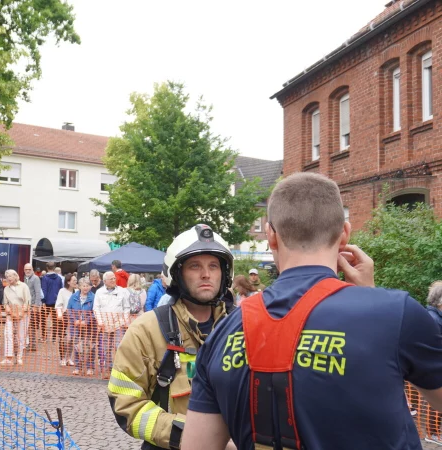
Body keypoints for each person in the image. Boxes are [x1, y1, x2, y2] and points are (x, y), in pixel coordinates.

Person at [181, 172, 442, 450]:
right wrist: (370, 298)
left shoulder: (222, 332)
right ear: (344, 234)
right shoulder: (395, 314)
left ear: (270, 235)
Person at [107, 224, 233, 450]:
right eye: (195, 266)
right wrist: (195, 437)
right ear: (177, 273)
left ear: (224, 273)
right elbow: (127, 405)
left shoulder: (244, 327)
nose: (206, 274)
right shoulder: (146, 330)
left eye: (213, 266)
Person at [93, 271, 131, 379]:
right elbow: (96, 308)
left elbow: (126, 308)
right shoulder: (99, 292)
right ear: (105, 281)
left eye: (114, 278)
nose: (114, 280)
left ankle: (120, 370)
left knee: (119, 347)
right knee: (106, 348)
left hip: (118, 325)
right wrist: (100, 322)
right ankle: (107, 369)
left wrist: (121, 322)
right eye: (111, 279)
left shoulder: (122, 291)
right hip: (104, 325)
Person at [2, 269, 31, 366]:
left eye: (10, 276)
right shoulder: (6, 289)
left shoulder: (23, 286)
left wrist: (22, 313)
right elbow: (5, 303)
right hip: (11, 314)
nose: (8, 278)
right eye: (7, 277)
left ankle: (19, 356)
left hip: (23, 314)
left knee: (21, 336)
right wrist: (9, 312)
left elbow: (27, 301)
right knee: (7, 333)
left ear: (15, 276)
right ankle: (8, 357)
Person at [68, 277, 95, 376]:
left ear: (90, 287)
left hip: (89, 327)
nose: (85, 288)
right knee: (77, 347)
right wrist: (75, 320)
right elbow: (69, 310)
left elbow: (95, 312)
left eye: (87, 285)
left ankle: (90, 367)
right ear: (79, 286)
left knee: (90, 347)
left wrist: (86, 321)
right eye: (83, 286)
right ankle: (77, 367)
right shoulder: (73, 297)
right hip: (76, 326)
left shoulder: (93, 297)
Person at [426, 282, 442, 444]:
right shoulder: (432, 318)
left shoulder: (437, 317)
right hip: (434, 367)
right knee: (433, 400)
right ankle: (432, 433)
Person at [55, 273, 77, 367]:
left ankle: (69, 358)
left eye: (76, 280)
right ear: (68, 282)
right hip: (64, 317)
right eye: (74, 281)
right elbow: (58, 305)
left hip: (74, 318)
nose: (75, 282)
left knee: (72, 338)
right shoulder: (62, 291)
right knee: (63, 339)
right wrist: (60, 316)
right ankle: (62, 358)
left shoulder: (77, 291)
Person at [40, 262, 64, 341]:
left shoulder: (45, 278)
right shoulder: (59, 278)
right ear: (54, 268)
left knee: (43, 319)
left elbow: (44, 290)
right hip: (56, 301)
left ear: (47, 268)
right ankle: (54, 337)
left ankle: (44, 336)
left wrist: (43, 301)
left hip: (47, 301)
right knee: (55, 320)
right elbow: (61, 290)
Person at [24, 263, 43, 351]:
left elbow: (38, 292)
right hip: (27, 305)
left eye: (29, 269)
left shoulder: (35, 278)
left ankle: (33, 345)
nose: (27, 271)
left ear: (32, 270)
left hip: (33, 306)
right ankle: (30, 343)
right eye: (26, 269)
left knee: (32, 326)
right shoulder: (25, 278)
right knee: (28, 326)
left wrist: (36, 305)